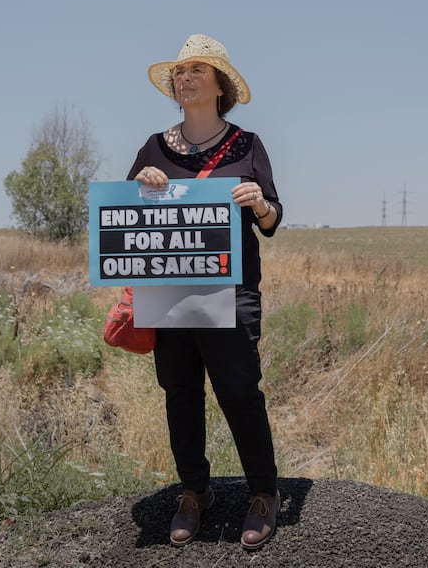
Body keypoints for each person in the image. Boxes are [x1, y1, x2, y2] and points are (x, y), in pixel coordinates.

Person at [127, 34, 283, 550]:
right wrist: (141, 186)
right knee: (180, 392)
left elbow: (272, 221)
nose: (185, 77)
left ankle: (264, 493)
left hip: (231, 290)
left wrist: (258, 199)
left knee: (239, 391)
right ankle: (195, 492)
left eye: (198, 69)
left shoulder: (248, 145)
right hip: (168, 292)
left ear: (220, 87)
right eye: (180, 71)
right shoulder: (153, 148)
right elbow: (126, 223)